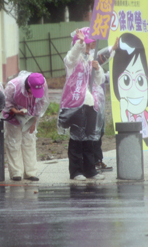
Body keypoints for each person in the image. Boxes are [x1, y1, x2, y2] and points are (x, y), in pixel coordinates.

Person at [57, 27, 106, 181]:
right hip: (76, 104)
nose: (89, 46)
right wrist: (79, 43)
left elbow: (100, 80)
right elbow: (71, 57)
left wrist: (97, 70)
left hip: (91, 104)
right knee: (77, 138)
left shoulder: (91, 59)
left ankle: (90, 170)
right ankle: (76, 171)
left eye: (89, 43)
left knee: (89, 138)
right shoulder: (72, 61)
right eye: (86, 43)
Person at [112, 33, 148, 148]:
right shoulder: (127, 109)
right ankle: (133, 142)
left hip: (143, 126)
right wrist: (123, 108)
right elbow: (123, 120)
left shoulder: (143, 110)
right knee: (132, 134)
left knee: (145, 132)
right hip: (131, 128)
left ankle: (146, 140)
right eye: (126, 80)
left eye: (141, 80)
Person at [2, 71, 49, 181]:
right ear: (27, 86)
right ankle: (16, 172)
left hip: (29, 117)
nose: (33, 94)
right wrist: (16, 111)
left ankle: (30, 172)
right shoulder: (13, 86)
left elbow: (40, 104)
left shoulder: (43, 85)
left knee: (29, 142)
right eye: (32, 91)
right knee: (14, 143)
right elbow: (6, 103)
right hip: (13, 116)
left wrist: (34, 122)